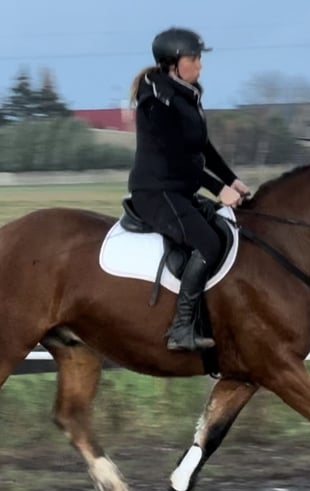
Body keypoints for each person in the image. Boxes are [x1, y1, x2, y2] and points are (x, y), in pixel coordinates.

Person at [127, 27, 250, 352]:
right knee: (208, 245)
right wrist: (217, 189)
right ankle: (181, 329)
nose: (199, 65)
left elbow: (201, 147)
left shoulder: (187, 94)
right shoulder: (156, 100)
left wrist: (231, 179)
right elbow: (177, 158)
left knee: (224, 232)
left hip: (178, 189)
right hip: (155, 192)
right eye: (194, 59)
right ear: (173, 62)